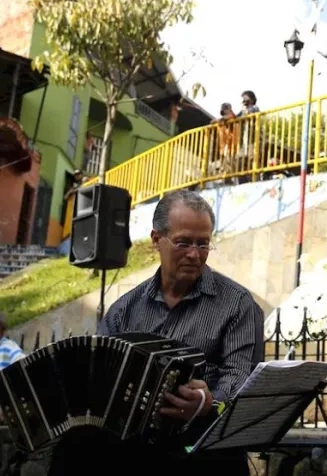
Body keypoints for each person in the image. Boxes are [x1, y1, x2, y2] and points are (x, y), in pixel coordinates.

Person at [47, 189, 265, 476]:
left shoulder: (239, 304)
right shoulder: (123, 309)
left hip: (200, 441)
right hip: (130, 440)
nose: (194, 254)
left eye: (203, 244)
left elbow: (241, 377)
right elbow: (96, 379)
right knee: (73, 447)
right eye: (183, 242)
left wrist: (208, 401)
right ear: (155, 240)